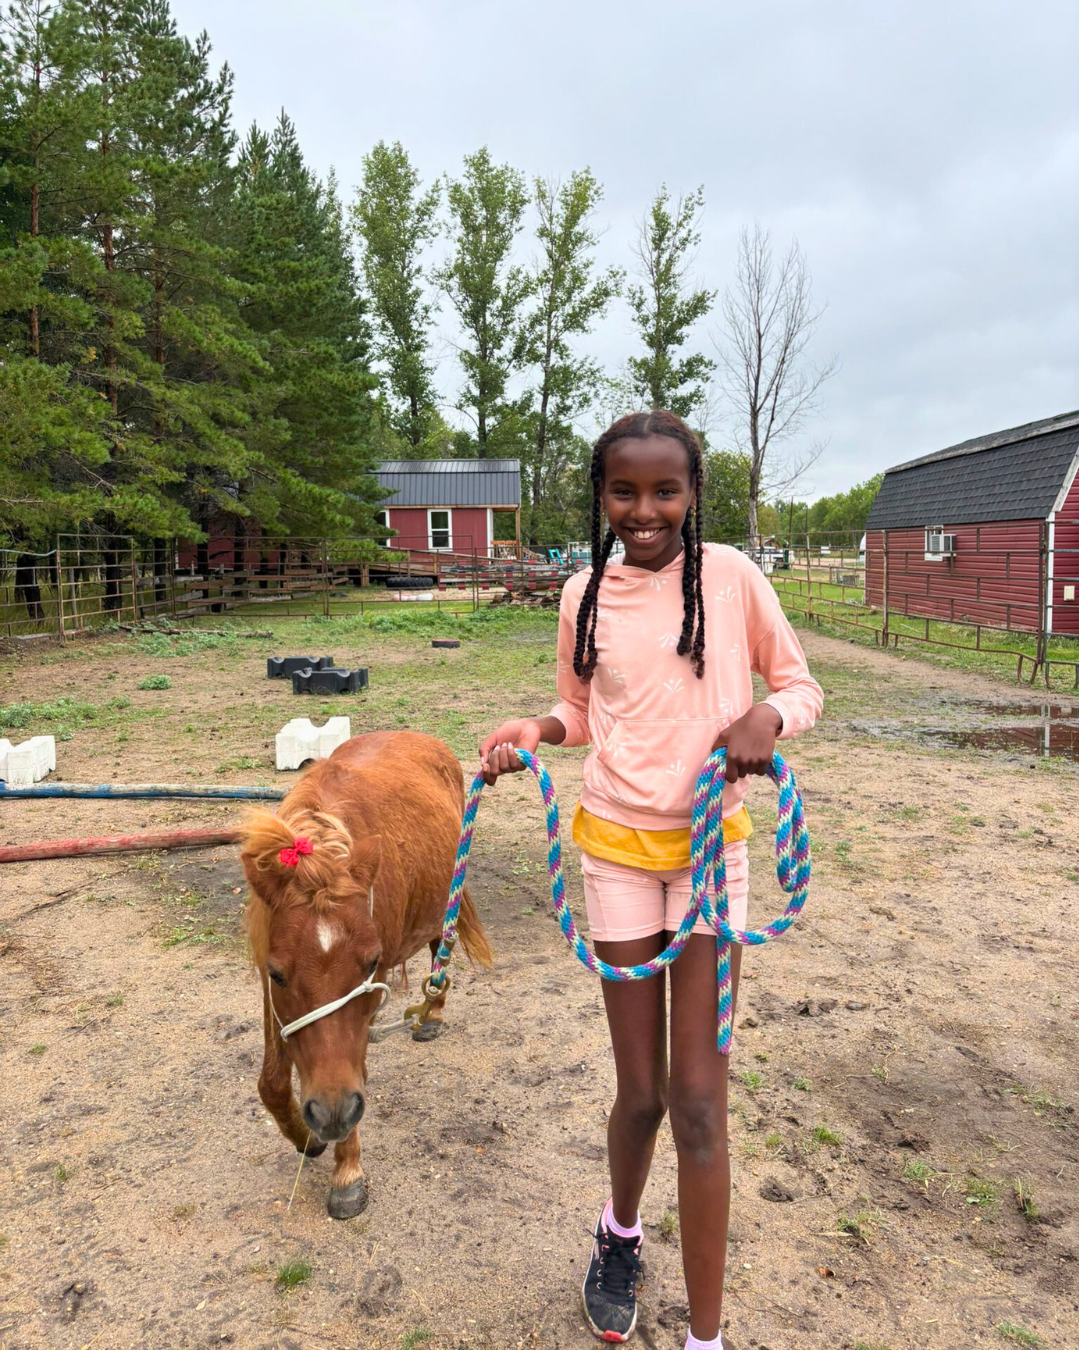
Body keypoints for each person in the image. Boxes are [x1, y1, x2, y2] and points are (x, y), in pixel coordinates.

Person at [478, 410, 823, 1350]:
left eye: (663, 491)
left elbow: (799, 686)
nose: (643, 511)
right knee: (639, 1095)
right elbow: (581, 709)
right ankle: (618, 1236)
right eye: (623, 492)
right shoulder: (583, 593)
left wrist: (766, 721)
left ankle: (706, 1338)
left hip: (710, 858)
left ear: (692, 493)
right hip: (617, 856)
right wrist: (535, 731)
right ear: (600, 496)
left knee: (699, 1104)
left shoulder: (734, 579)